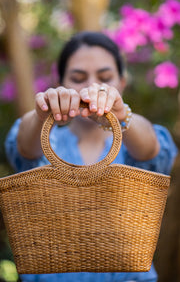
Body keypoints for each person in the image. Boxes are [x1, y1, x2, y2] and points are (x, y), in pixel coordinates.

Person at [5, 31, 177, 282]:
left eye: (105, 77)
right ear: (60, 82)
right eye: (77, 78)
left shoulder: (131, 142)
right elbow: (24, 147)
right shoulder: (47, 140)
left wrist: (120, 115)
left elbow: (152, 148)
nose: (91, 87)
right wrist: (42, 113)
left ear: (122, 82)